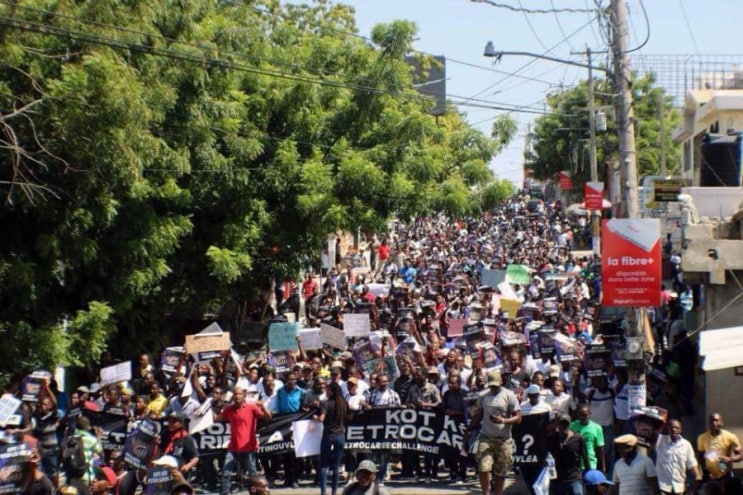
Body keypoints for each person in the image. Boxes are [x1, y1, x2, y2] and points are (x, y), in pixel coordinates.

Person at [464, 369, 521, 495]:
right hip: (486, 437)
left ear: (501, 382)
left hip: (504, 439)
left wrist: (504, 420)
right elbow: (479, 415)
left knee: (500, 472)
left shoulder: (509, 395)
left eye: (496, 385)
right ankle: (486, 493)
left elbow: (518, 417)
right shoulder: (483, 396)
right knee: (483, 468)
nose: (494, 388)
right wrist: (468, 430)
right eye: (491, 385)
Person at [214, 387, 273, 495]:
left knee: (253, 475)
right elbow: (217, 419)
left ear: (244, 396)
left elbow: (268, 418)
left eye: (239, 394)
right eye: (235, 394)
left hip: (248, 447)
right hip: (233, 447)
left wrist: (263, 407)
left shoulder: (252, 408)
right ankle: (224, 493)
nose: (237, 396)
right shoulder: (228, 409)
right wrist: (208, 408)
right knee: (226, 473)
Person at [316, 382, 347, 495]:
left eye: (328, 390)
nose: (326, 391)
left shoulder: (326, 403)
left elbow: (321, 419)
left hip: (328, 435)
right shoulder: (343, 403)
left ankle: (323, 492)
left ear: (332, 391)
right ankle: (334, 492)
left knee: (324, 465)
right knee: (335, 466)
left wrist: (316, 417)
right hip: (340, 436)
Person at [547, 414, 590, 495]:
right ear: (557, 425)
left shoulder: (579, 438)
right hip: (556, 478)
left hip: (574, 477)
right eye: (561, 423)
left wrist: (588, 473)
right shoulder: (551, 439)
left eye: (566, 424)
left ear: (569, 424)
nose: (563, 426)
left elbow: (585, 457)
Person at [655, 419, 700, 495]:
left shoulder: (686, 444)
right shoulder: (660, 440)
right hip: (663, 486)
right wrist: (661, 425)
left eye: (676, 428)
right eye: (671, 427)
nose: (674, 429)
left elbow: (691, 462)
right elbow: (652, 437)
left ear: (680, 430)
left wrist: (697, 475)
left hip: (679, 486)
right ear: (668, 429)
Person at [697, 412, 742, 485]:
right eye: (712, 421)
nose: (714, 423)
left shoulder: (730, 437)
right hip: (710, 475)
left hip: (726, 474)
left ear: (721, 423)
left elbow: (741, 455)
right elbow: (700, 456)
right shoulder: (702, 438)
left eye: (716, 420)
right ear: (709, 424)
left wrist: (730, 459)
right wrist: (704, 470)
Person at [570, 404, 605, 472]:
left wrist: (602, 466)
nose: (583, 417)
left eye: (585, 415)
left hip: (591, 463)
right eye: (581, 415)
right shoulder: (572, 426)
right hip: (576, 463)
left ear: (589, 414)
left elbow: (600, 448)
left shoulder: (597, 428)